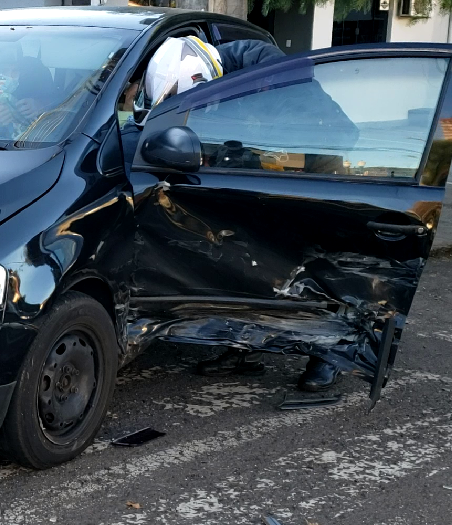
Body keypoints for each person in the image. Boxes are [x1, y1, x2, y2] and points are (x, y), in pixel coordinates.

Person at [124, 36, 344, 392]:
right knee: (242, 262)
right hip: (257, 179)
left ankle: (330, 353)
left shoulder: (279, 79)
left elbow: (340, 138)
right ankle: (243, 348)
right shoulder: (210, 74)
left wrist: (270, 154)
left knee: (308, 266)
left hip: (317, 176)